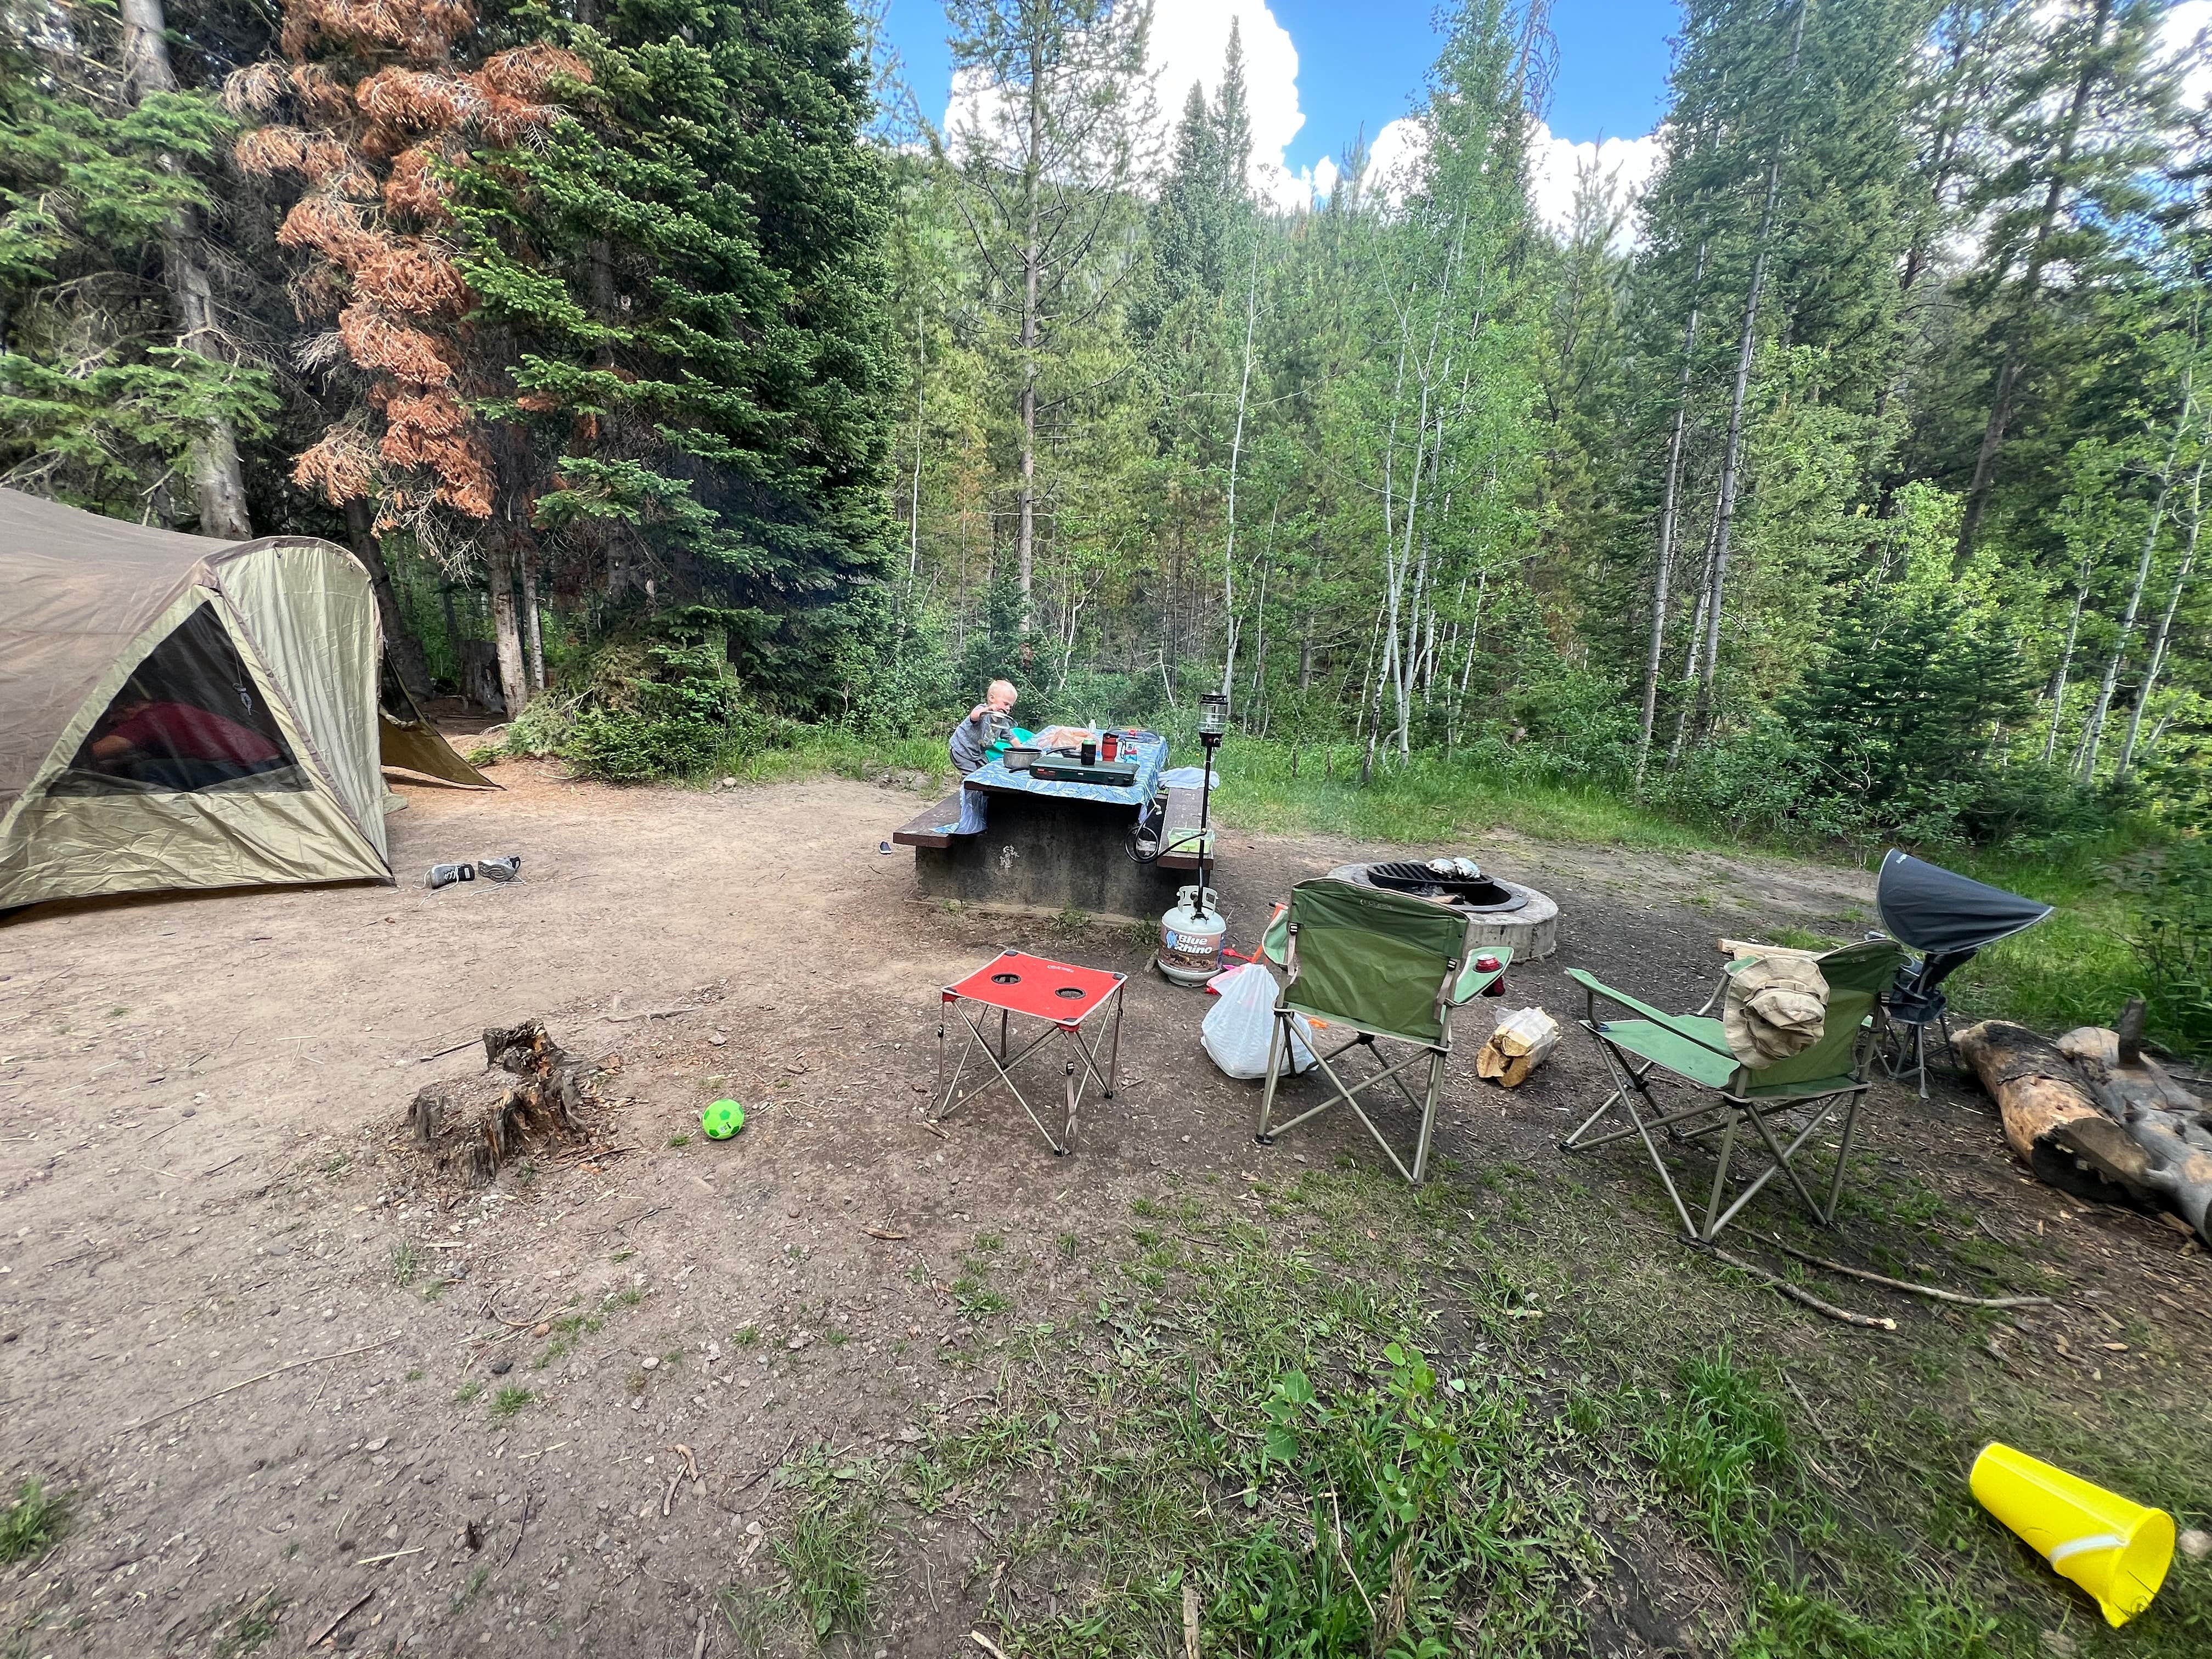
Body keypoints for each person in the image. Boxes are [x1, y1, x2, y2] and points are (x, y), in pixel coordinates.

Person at [88, 680, 288, 789]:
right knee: (149, 765)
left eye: (116, 720)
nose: (116, 725)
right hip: (273, 763)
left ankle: (168, 818)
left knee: (148, 770)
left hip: (253, 769)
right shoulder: (171, 710)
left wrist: (64, 760)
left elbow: (101, 751)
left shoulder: (150, 717)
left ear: (129, 708)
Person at [949, 679, 1030, 775]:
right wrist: (988, 709)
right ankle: (968, 789)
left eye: (1010, 706)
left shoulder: (1002, 721)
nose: (1008, 708)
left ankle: (984, 788)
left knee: (987, 771)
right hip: (962, 750)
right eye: (1006, 704)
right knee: (971, 776)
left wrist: (1024, 752)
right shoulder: (982, 710)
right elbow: (973, 717)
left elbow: (1012, 738)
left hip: (978, 754)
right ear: (992, 698)